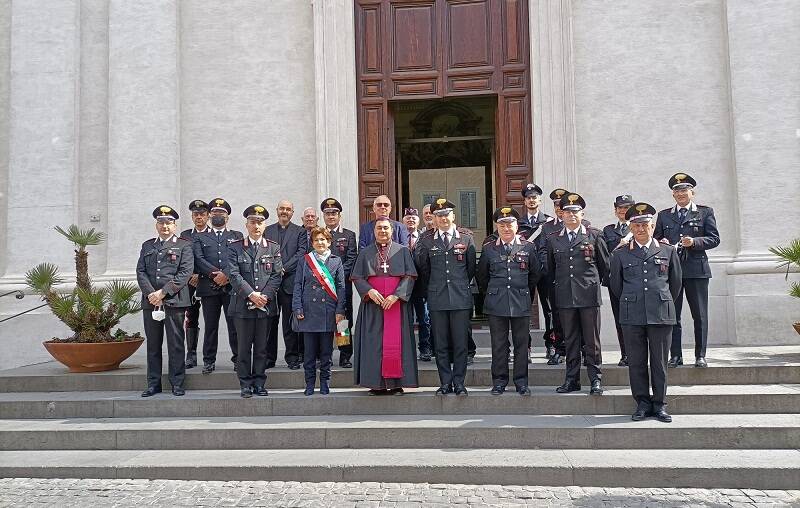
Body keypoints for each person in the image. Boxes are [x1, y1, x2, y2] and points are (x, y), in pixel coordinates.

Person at [610, 203, 682, 423]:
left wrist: (661, 300)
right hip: (632, 315)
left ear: (652, 227)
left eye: (645, 224)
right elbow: (616, 285)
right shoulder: (620, 254)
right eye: (636, 225)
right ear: (630, 227)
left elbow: (676, 283)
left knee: (659, 362)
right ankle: (642, 403)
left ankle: (659, 404)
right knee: (637, 361)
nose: (641, 229)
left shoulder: (667, 250)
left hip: (660, 313)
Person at [546, 193, 610, 396]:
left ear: (582, 214)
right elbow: (550, 269)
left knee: (591, 341)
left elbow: (604, 266)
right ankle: (571, 379)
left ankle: (595, 379)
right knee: (570, 339)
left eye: (575, 211)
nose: (571, 215)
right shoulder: (553, 239)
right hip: (565, 296)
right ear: (561, 215)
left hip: (588, 296)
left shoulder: (595, 235)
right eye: (567, 212)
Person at [654, 172, 720, 369]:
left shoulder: (704, 212)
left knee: (699, 315)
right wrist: (662, 243)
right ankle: (676, 355)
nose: (681, 193)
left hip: (696, 270)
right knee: (673, 315)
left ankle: (700, 355)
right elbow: (656, 240)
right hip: (671, 271)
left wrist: (695, 242)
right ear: (673, 194)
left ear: (692, 192)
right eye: (677, 190)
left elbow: (714, 239)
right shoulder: (664, 215)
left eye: (684, 190)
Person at [415, 198, 477, 396]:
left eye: (446, 214)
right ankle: (445, 383)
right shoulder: (426, 240)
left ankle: (459, 383)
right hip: (437, 299)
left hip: (460, 298)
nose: (443, 218)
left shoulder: (466, 238)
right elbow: (424, 270)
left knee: (460, 344)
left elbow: (470, 268)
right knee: (440, 345)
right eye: (439, 215)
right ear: (433, 218)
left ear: (453, 216)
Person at [477, 207, 541, 396]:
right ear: (497, 227)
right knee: (499, 344)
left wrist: (524, 293)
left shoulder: (528, 247)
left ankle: (521, 382)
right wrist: (493, 293)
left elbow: (535, 274)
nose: (506, 228)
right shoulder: (489, 249)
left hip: (520, 301)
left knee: (521, 344)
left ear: (516, 226)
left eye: (510, 224)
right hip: (496, 303)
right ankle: (499, 381)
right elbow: (482, 277)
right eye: (502, 225)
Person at [352, 217, 419, 394]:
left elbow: (410, 275)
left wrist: (397, 295)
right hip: (373, 306)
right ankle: (377, 384)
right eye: (379, 228)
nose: (382, 231)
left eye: (386, 228)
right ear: (374, 232)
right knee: (374, 344)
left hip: (396, 305)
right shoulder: (365, 252)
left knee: (398, 344)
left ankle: (397, 384)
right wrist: (369, 291)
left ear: (392, 231)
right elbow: (357, 276)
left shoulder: (403, 251)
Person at [137, 205, 194, 397]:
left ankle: (177, 383)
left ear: (175, 225)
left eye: (169, 223)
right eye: (161, 223)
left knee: (176, 344)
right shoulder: (148, 246)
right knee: (153, 345)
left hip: (174, 301)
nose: (165, 226)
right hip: (150, 302)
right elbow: (141, 271)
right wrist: (151, 294)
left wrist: (163, 292)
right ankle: (153, 384)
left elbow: (185, 273)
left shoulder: (184, 245)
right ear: (156, 225)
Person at [227, 205, 283, 398]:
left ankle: (259, 382)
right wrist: (251, 294)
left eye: (260, 222)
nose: (256, 226)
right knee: (243, 348)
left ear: (264, 224)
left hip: (265, 306)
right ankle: (245, 384)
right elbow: (233, 275)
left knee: (261, 348)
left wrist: (264, 296)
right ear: (246, 224)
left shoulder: (273, 247)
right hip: (242, 305)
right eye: (253, 222)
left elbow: (276, 275)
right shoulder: (235, 247)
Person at [293, 227, 346, 395]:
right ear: (312, 243)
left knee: (326, 353)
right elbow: (297, 285)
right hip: (308, 312)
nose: (320, 243)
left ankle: (325, 383)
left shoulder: (336, 261)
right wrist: (297, 306)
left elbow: (341, 287)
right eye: (316, 240)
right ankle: (309, 385)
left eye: (323, 239)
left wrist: (340, 310)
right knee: (308, 354)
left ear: (329, 242)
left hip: (328, 312)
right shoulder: (305, 260)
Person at [192, 198, 243, 374]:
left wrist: (226, 275)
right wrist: (216, 275)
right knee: (210, 326)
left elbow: (239, 259)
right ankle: (208, 360)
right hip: (209, 287)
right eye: (215, 212)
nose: (218, 215)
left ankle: (238, 359)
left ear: (227, 216)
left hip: (231, 288)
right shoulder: (199, 237)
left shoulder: (236, 236)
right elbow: (198, 259)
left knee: (234, 325)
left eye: (221, 213)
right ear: (210, 215)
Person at [264, 200, 308, 369]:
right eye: (282, 208)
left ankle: (292, 357)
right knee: (269, 322)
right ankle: (269, 358)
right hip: (270, 284)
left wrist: (283, 268)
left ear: (292, 212)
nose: (284, 211)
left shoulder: (300, 231)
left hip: (290, 283)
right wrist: (275, 269)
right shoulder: (267, 230)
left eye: (288, 209)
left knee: (290, 323)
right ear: (277, 211)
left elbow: (301, 253)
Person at [518, 183, 554, 362]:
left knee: (549, 310)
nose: (532, 200)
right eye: (528, 197)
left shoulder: (549, 223)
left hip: (546, 272)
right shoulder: (518, 224)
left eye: (534, 197)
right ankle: (526, 348)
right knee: (525, 310)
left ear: (539, 200)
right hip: (526, 272)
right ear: (524, 201)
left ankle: (551, 345)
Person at [321, 198, 358, 368]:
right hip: (322, 288)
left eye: (334, 213)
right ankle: (325, 355)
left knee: (343, 321)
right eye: (327, 213)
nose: (331, 216)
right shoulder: (318, 234)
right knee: (325, 321)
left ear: (339, 215)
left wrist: (336, 277)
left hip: (342, 287)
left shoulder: (349, 235)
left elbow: (351, 259)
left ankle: (345, 355)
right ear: (323, 215)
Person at [601, 194, 635, 366]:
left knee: (634, 318)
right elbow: (605, 255)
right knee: (620, 318)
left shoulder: (639, 227)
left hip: (634, 279)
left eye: (627, 208)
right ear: (615, 211)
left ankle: (637, 352)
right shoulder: (608, 230)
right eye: (620, 208)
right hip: (615, 279)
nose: (623, 211)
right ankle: (625, 353)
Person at [538, 188, 569, 364]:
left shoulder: (585, 224)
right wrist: (550, 271)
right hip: (556, 279)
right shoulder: (547, 227)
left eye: (562, 205)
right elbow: (543, 250)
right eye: (556, 205)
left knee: (577, 315)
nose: (559, 208)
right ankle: (559, 348)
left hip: (576, 280)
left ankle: (581, 348)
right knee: (556, 314)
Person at [180, 199, 210, 369]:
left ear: (208, 216)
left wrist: (201, 274)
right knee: (190, 317)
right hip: (189, 282)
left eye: (202, 214)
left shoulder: (214, 234)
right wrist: (191, 274)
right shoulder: (185, 236)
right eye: (196, 214)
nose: (199, 217)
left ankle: (209, 356)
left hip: (208, 282)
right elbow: (182, 259)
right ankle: (191, 354)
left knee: (211, 319)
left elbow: (216, 259)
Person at [404, 207, 432, 361]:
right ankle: (407, 349)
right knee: (406, 319)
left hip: (421, 285)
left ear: (418, 221)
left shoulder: (424, 237)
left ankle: (425, 348)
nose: (411, 220)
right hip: (404, 286)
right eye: (408, 218)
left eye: (413, 218)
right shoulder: (399, 237)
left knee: (424, 318)